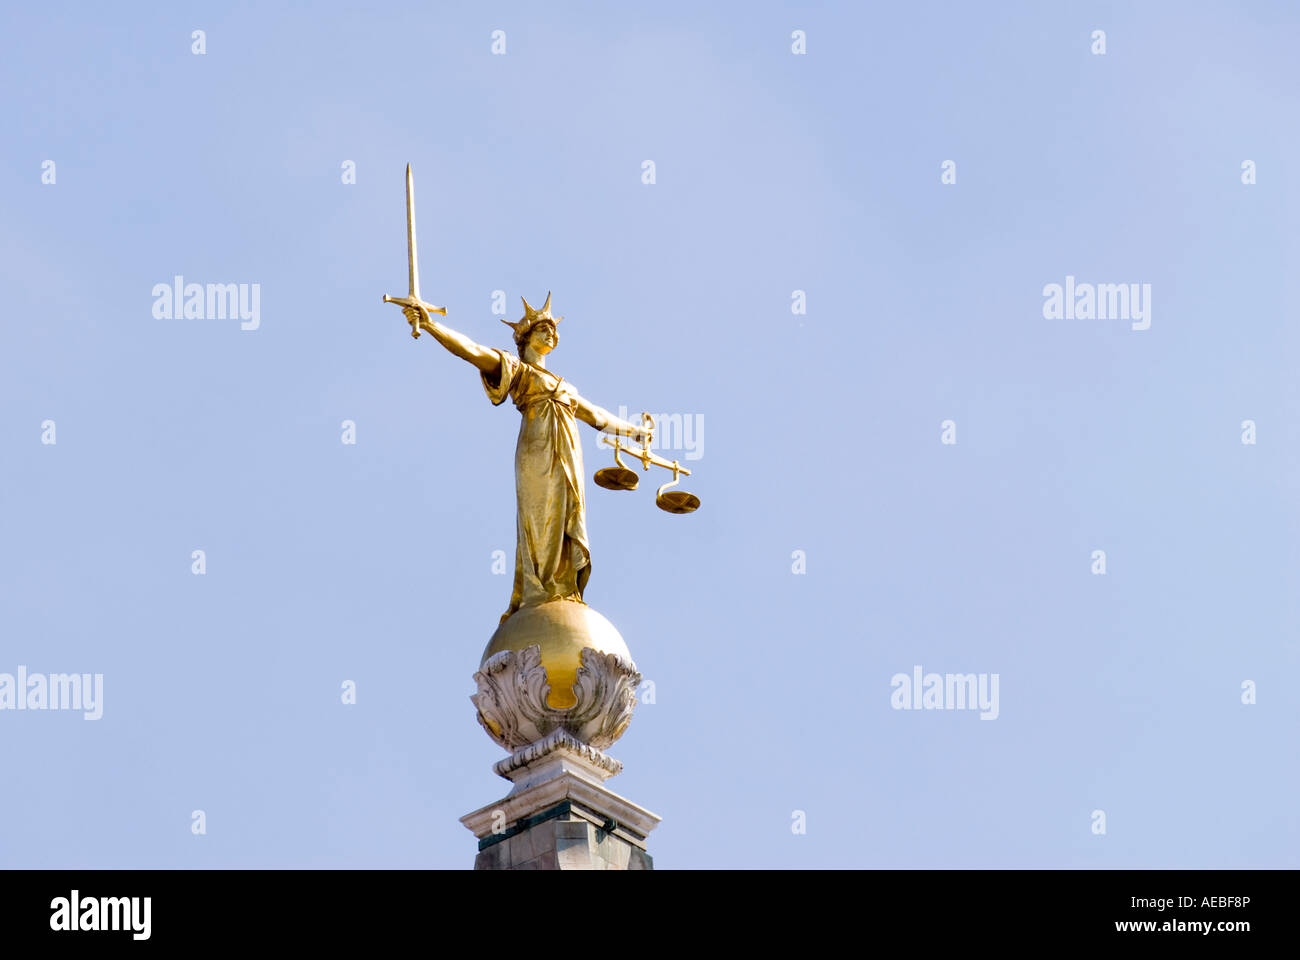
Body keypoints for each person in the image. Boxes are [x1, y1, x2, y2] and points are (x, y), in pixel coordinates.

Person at [402, 293, 651, 623]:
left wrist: (634, 431)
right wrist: (432, 324)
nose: (550, 334)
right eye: (542, 329)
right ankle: (539, 589)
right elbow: (472, 351)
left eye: (552, 330)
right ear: (526, 338)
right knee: (540, 516)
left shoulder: (567, 388)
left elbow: (597, 415)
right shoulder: (518, 370)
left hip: (568, 453)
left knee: (567, 514)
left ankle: (562, 586)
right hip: (536, 448)